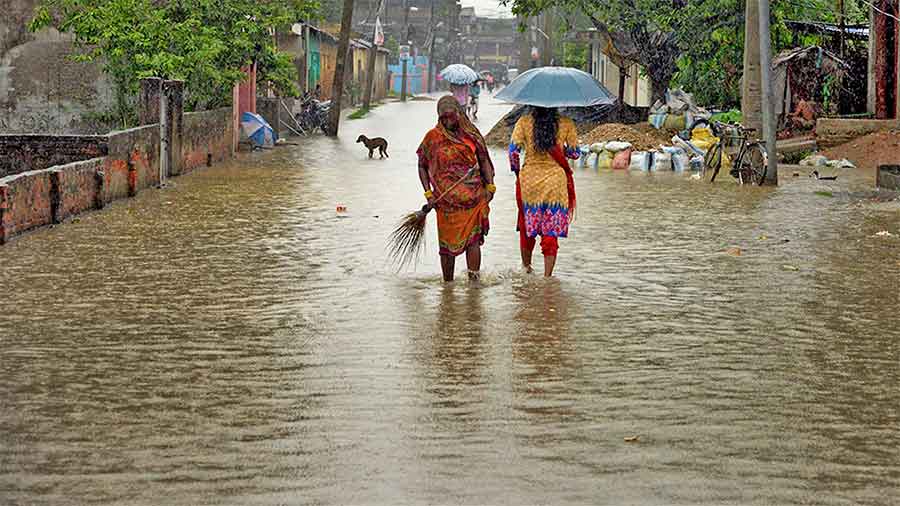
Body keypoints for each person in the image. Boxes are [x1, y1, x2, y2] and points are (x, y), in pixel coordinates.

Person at [417, 96, 496, 282]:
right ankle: (448, 288)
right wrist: (428, 193)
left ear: (459, 114)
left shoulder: (472, 135)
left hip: (473, 199)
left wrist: (490, 186)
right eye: (442, 118)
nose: (446, 121)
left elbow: (483, 159)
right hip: (445, 204)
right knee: (446, 249)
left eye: (450, 117)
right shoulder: (433, 137)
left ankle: (474, 285)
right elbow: (422, 165)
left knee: (473, 241)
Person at [509, 107, 580, 277]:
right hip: (555, 182)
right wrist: (562, 149)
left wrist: (517, 171)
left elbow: (513, 152)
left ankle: (526, 269)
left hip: (529, 182)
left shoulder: (524, 122)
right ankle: (548, 277)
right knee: (550, 230)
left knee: (528, 226)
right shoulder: (566, 123)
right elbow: (575, 153)